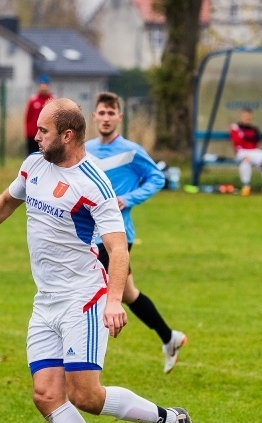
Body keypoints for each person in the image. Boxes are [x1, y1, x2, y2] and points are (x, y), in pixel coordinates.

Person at [0, 98, 203, 423]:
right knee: (46, 394)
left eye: (43, 131)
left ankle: (172, 420)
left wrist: (115, 300)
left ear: (67, 135)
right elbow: (5, 203)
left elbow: (118, 251)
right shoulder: (34, 165)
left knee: (85, 396)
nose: (35, 135)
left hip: (85, 298)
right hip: (45, 300)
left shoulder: (92, 184)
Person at [85, 91, 187, 374]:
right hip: (88, 233)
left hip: (118, 235)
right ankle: (170, 338)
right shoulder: (85, 150)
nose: (106, 118)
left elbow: (157, 177)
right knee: (127, 294)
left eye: (111, 113)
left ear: (120, 117)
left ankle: (85, 363)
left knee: (94, 291)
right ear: (94, 117)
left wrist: (127, 199)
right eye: (101, 113)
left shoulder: (131, 151)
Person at [230, 107, 262, 196]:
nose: (247, 118)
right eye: (245, 116)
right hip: (241, 151)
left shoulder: (254, 129)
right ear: (241, 116)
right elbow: (237, 141)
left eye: (249, 116)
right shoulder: (235, 127)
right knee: (246, 160)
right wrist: (246, 139)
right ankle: (246, 187)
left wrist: (244, 138)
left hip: (254, 151)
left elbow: (255, 142)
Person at [24, 74, 55, 155]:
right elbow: (28, 117)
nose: (43, 87)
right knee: (32, 155)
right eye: (41, 85)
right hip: (33, 135)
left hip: (47, 135)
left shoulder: (53, 100)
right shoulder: (33, 100)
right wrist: (29, 133)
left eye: (45, 85)